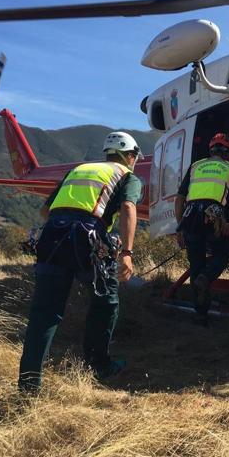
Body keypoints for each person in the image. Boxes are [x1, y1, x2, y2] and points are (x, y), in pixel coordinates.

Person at [18, 131, 142, 392]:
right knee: (105, 300)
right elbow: (129, 208)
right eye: (134, 158)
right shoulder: (127, 176)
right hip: (87, 237)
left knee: (44, 313)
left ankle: (28, 387)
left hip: (52, 235)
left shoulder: (80, 170)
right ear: (130, 156)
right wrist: (127, 253)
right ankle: (98, 365)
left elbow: (45, 210)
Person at [174, 133, 229, 326]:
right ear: (228, 152)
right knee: (221, 254)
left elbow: (180, 199)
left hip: (191, 217)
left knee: (195, 264)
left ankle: (200, 315)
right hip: (214, 216)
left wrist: (179, 228)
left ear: (210, 150)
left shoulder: (196, 166)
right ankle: (208, 275)